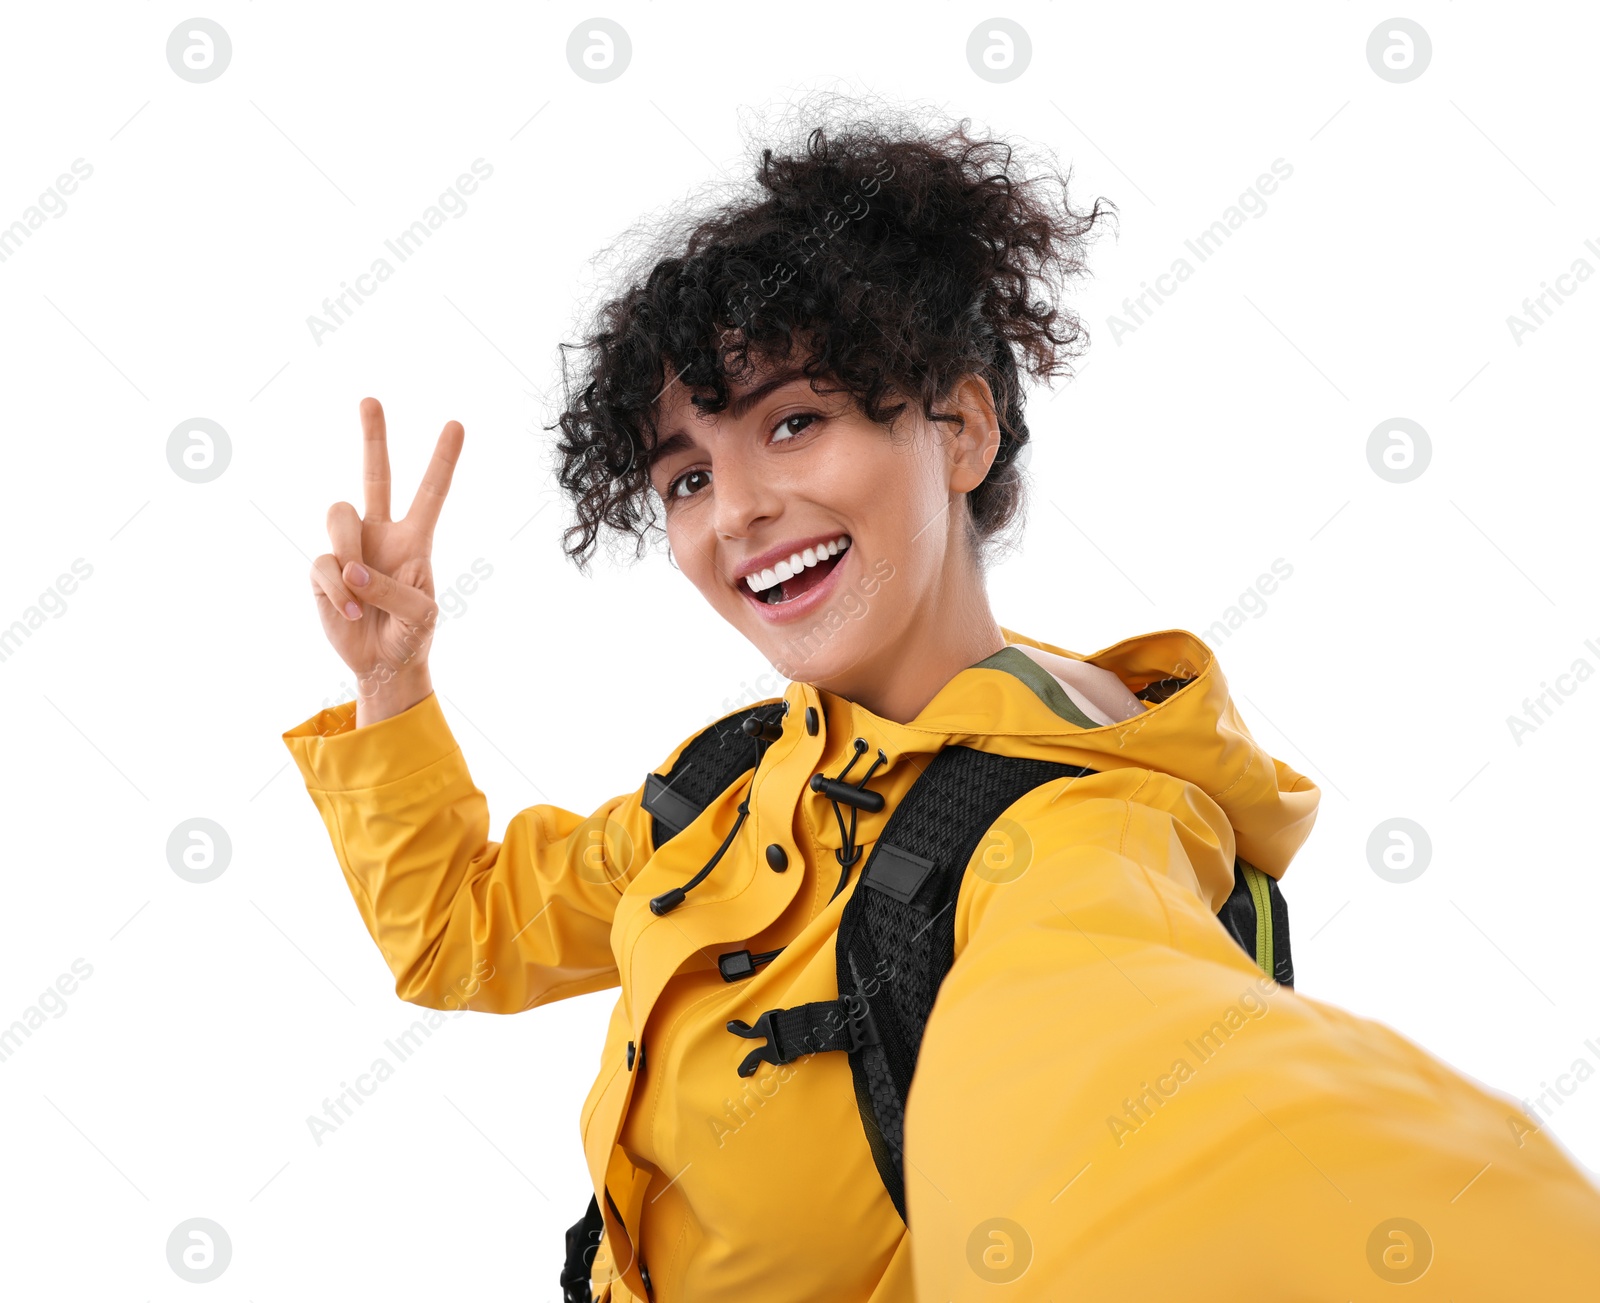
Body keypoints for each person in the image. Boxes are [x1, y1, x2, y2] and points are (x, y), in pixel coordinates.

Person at [283, 103, 1600, 1300]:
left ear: (959, 428)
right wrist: (392, 686)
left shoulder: (1077, 831)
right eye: (686, 477)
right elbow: (462, 935)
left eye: (795, 422)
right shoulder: (737, 778)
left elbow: (1160, 1114)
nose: (735, 509)